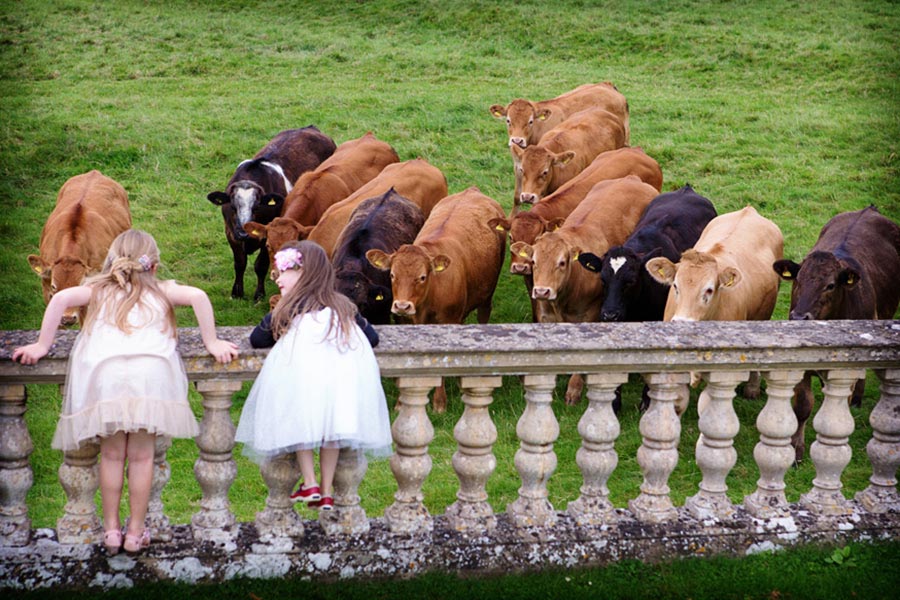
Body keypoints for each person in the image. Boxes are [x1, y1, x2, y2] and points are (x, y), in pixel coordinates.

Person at [12, 229, 239, 555]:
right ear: (154, 265)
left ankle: (110, 532)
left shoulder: (97, 287)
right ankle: (134, 533)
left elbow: (60, 298)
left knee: (112, 455)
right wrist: (212, 341)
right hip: (150, 376)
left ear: (111, 260)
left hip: (107, 376)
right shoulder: (162, 289)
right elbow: (200, 297)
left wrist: (42, 344)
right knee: (143, 457)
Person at [235, 240, 392, 511]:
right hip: (338, 383)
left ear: (304, 274)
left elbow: (258, 339)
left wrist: (280, 307)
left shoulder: (289, 309)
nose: (278, 279)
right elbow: (372, 337)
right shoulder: (342, 307)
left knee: (301, 423)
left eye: (284, 272)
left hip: (302, 381)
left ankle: (310, 482)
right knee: (333, 429)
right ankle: (327, 490)